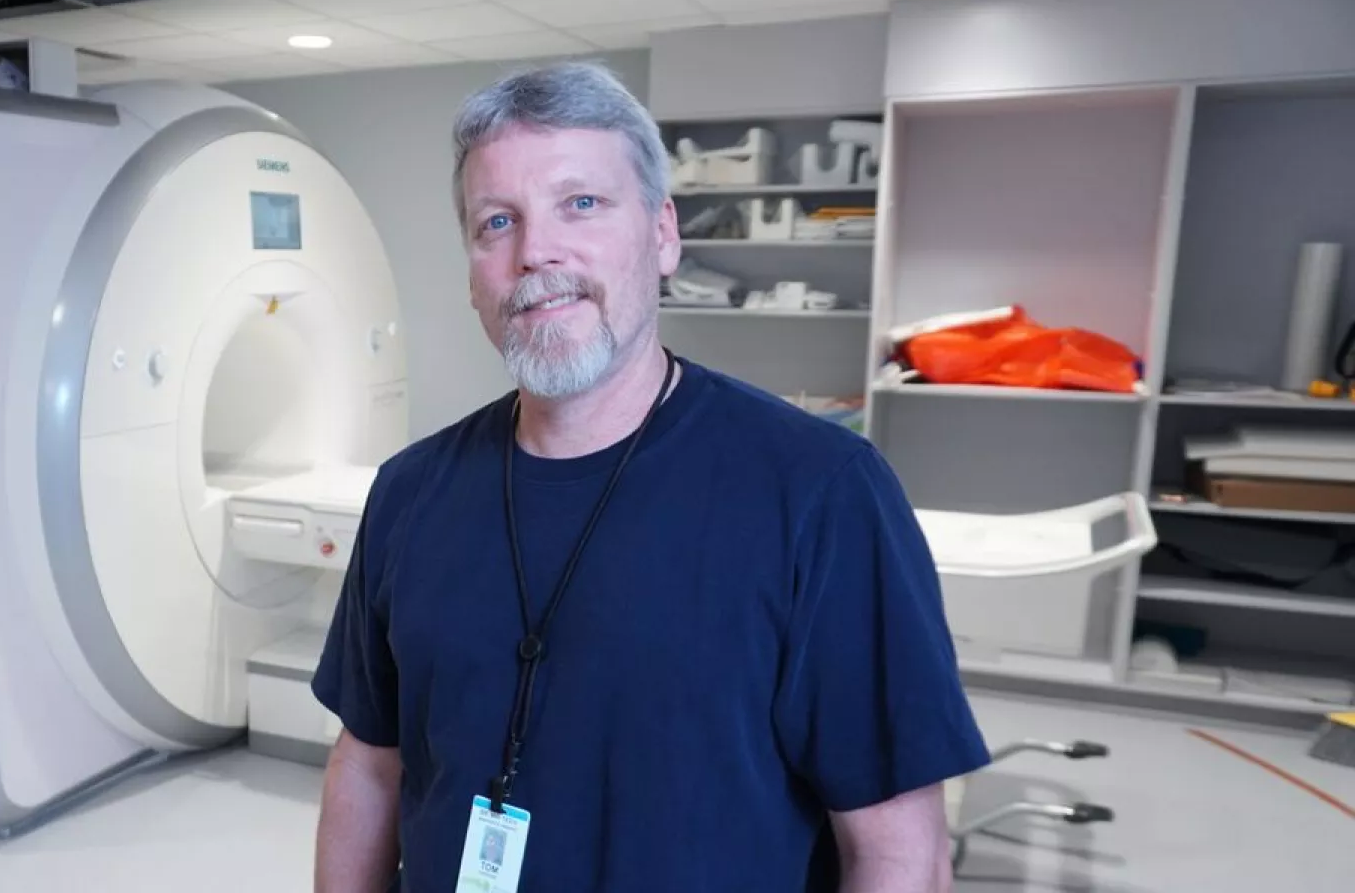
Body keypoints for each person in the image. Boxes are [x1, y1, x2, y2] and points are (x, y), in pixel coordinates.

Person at [310, 61, 990, 893]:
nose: (537, 253)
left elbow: (899, 853)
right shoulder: (410, 493)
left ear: (663, 234)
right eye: (497, 222)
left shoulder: (820, 493)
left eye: (582, 204)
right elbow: (369, 767)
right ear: (473, 273)